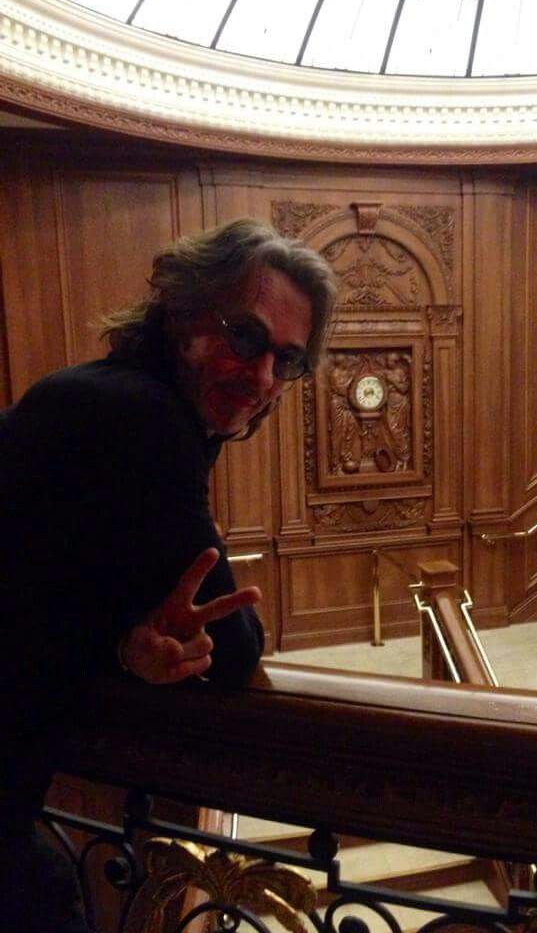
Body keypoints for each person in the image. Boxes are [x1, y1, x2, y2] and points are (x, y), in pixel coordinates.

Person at [0, 218, 337, 931]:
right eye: (244, 338)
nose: (264, 378)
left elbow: (33, 589)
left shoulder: (99, 392)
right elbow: (239, 645)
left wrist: (125, 645)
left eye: (290, 361)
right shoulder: (145, 417)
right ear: (184, 313)